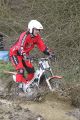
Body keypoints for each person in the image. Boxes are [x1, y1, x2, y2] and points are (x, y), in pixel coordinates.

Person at [9, 20, 55, 86]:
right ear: (31, 29)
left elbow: (42, 46)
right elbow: (20, 47)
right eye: (36, 30)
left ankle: (27, 85)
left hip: (25, 55)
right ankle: (19, 89)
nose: (38, 31)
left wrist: (50, 53)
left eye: (39, 30)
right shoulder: (24, 35)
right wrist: (24, 54)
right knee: (21, 70)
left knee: (31, 71)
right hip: (15, 54)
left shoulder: (37, 37)